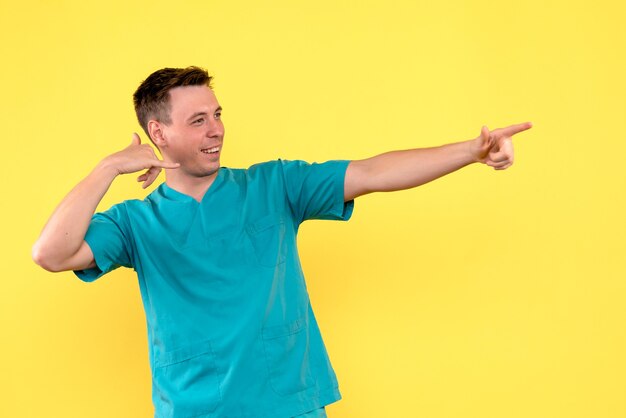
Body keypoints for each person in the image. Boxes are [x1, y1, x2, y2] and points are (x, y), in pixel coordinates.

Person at [32, 66, 532, 418]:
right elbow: (50, 254)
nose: (218, 130)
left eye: (218, 113)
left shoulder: (273, 187)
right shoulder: (135, 224)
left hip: (287, 403)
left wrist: (472, 150)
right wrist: (108, 167)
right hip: (195, 409)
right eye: (198, 120)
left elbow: (375, 171)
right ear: (157, 133)